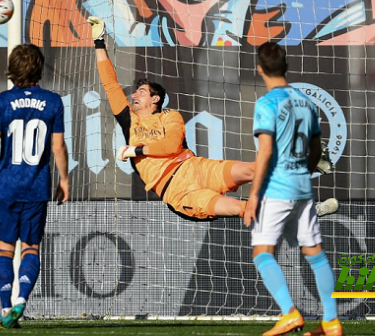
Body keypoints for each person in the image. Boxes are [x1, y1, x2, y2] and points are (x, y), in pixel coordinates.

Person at [86, 16, 338, 221]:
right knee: (243, 208)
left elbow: (171, 147)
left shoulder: (171, 116)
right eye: (135, 92)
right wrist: (99, 41)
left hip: (195, 167)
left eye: (141, 92)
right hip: (178, 190)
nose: (134, 95)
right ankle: (307, 211)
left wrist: (136, 149)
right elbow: (109, 83)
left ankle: (309, 163)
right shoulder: (129, 119)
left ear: (156, 99)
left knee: (251, 168)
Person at [243, 41, 341, 336]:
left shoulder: (267, 103)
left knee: (262, 251)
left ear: (259, 69)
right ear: (286, 67)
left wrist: (253, 196)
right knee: (315, 252)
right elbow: (315, 148)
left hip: (278, 187)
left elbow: (265, 152)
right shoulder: (306, 101)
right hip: (303, 186)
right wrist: (305, 172)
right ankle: (332, 322)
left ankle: (289, 313)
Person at [0, 44, 69, 329]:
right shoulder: (53, 101)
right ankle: (20, 302)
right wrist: (64, 179)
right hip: (37, 187)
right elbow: (58, 146)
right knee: (31, 248)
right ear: (39, 69)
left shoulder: (1, 101)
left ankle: (7, 306)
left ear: (13, 69)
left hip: (7, 186)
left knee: (5, 250)